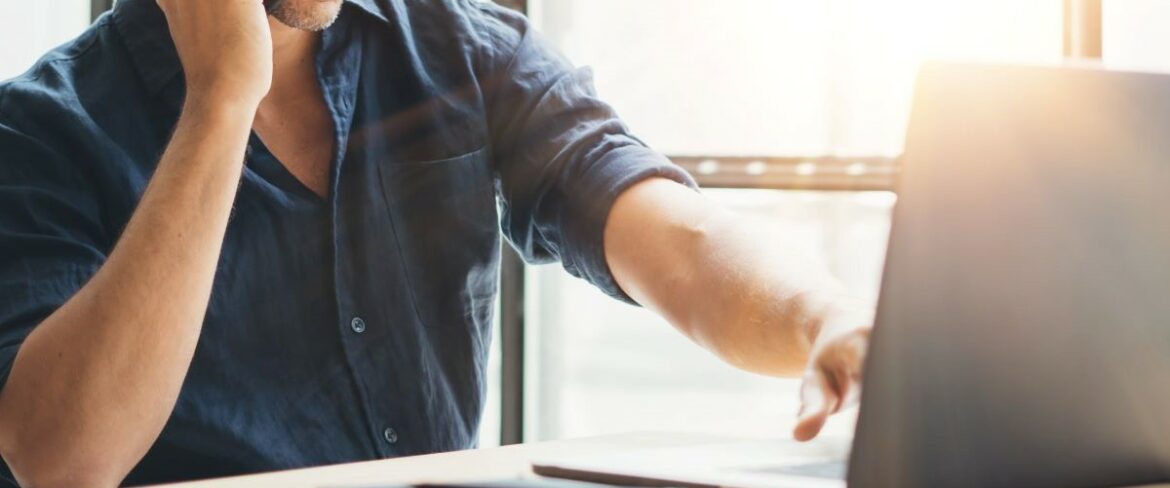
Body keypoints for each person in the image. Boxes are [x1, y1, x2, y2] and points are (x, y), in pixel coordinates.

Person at [0, 0, 872, 486]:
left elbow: (674, 239)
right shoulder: (43, 129)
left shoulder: (461, 48)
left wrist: (824, 319)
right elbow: (62, 458)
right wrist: (223, 97)